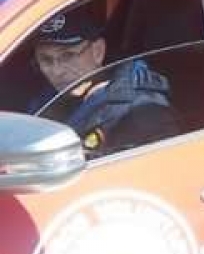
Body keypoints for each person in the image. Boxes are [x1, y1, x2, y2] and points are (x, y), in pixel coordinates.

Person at [30, 11, 179, 156]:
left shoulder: (141, 110)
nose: (57, 71)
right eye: (46, 59)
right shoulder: (49, 97)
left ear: (98, 51)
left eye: (68, 56)